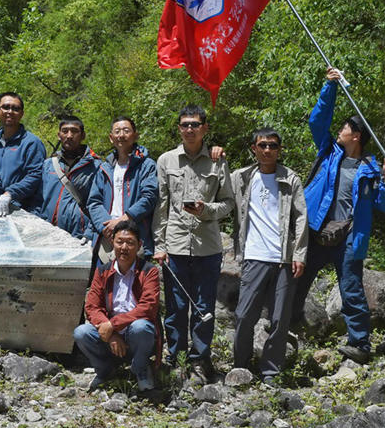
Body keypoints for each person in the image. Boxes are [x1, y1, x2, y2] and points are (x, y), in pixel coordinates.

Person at [292, 67, 385, 364]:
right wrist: (330, 87)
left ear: (357, 135)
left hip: (349, 236)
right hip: (316, 230)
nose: (339, 129)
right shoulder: (328, 152)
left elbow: (384, 205)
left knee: (350, 289)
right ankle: (285, 332)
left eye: (345, 127)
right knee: (297, 283)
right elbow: (317, 120)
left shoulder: (372, 168)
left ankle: (361, 345)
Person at [152, 104, 234, 378]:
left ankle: (200, 358)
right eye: (185, 124)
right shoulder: (165, 161)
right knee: (175, 307)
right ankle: (176, 357)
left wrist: (206, 210)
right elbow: (161, 206)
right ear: (179, 128)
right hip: (175, 245)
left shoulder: (217, 161)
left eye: (195, 125)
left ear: (204, 128)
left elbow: (228, 203)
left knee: (203, 306)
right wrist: (159, 245)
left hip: (207, 247)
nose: (189, 129)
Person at [230, 127, 307, 383]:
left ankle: (270, 371)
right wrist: (215, 153)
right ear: (254, 148)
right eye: (262, 145)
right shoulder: (241, 178)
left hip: (284, 257)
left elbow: (301, 218)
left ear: (279, 149)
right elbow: (217, 185)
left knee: (279, 319)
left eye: (273, 146)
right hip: (254, 255)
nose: (267, 150)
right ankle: (240, 366)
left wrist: (300, 254)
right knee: (244, 315)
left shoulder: (290, 179)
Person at [74, 219, 161, 392]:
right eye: (119, 242)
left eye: (130, 243)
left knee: (141, 327)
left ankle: (141, 370)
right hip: (109, 333)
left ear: (139, 245)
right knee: (81, 332)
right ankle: (105, 371)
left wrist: (113, 325)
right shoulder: (102, 271)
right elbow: (92, 306)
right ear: (112, 242)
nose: (124, 247)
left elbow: (148, 307)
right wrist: (111, 333)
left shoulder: (149, 270)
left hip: (134, 332)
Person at [88, 116, 158, 264]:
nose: (121, 135)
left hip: (134, 235)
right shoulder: (104, 168)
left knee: (134, 283)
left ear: (135, 135)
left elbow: (149, 197)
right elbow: (94, 201)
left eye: (126, 131)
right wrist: (106, 226)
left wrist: (122, 221)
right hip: (107, 237)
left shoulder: (146, 165)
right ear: (111, 138)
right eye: (117, 131)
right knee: (106, 283)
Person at [38, 115, 100, 240]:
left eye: (74, 131)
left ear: (83, 135)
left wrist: (89, 233)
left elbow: (100, 203)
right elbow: (37, 199)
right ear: (59, 135)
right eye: (65, 131)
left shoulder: (96, 166)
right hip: (47, 233)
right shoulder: (48, 165)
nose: (69, 136)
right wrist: (37, 223)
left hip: (79, 235)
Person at [0, 92, 46, 215]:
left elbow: (35, 175)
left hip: (22, 210)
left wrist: (10, 193)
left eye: (16, 108)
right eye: (6, 107)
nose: (10, 111)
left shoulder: (32, 143)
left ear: (22, 114)